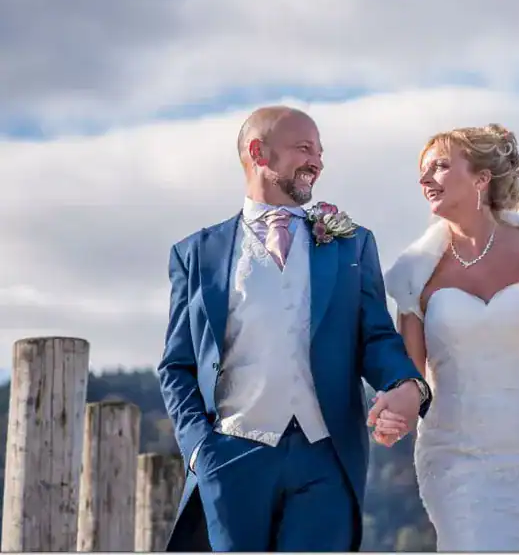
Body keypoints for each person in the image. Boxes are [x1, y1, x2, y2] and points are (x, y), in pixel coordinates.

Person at [157, 105, 431, 552]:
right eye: (305, 148)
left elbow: (375, 337)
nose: (317, 162)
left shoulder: (351, 244)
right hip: (230, 456)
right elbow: (177, 365)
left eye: (320, 152)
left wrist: (406, 384)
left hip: (326, 458)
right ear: (258, 152)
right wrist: (198, 450)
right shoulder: (197, 253)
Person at [376, 123, 519, 552]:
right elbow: (411, 377)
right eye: (423, 170)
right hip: (455, 454)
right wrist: (395, 413)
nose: (425, 179)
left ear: (481, 178)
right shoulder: (415, 274)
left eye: (440, 166)